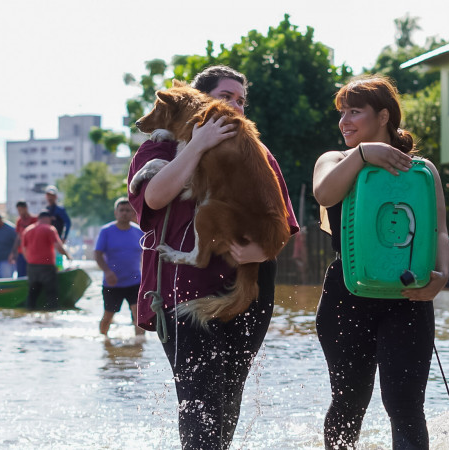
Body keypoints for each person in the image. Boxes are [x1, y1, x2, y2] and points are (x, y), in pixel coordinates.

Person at [127, 65, 299, 449]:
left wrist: (262, 249)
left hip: (247, 292)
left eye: (241, 101)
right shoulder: (154, 150)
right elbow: (155, 197)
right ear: (202, 101)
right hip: (182, 293)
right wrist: (199, 143)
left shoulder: (255, 150)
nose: (236, 108)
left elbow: (283, 224)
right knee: (199, 401)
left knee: (227, 400)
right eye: (226, 98)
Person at [311, 75, 449, 449]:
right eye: (342, 112)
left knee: (405, 406)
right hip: (345, 298)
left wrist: (441, 275)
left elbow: (438, 228)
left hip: (408, 300)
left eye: (355, 111)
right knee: (349, 403)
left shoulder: (420, 170)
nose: (344, 121)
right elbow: (324, 193)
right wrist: (361, 156)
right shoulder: (334, 159)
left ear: (384, 116)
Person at [95, 197, 145, 337]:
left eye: (127, 210)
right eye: (121, 210)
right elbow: (98, 254)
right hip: (112, 283)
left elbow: (146, 257)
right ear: (115, 212)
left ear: (132, 213)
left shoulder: (139, 232)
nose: (124, 213)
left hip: (135, 282)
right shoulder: (106, 231)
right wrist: (107, 272)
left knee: (138, 315)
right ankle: (103, 341)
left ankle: (140, 345)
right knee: (108, 315)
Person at [22, 211, 72, 310]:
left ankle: (29, 313)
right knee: (51, 293)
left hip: (31, 266)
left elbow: (24, 249)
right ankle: (51, 316)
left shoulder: (28, 230)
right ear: (47, 219)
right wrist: (68, 256)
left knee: (32, 293)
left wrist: (30, 260)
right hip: (46, 267)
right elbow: (58, 246)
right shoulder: (50, 229)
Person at [10, 200, 38, 277]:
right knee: (21, 275)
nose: (19, 212)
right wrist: (13, 252)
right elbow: (18, 237)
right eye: (18, 210)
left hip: (33, 252)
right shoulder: (19, 220)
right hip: (21, 252)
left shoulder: (35, 219)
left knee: (33, 274)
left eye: (20, 210)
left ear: (26, 208)